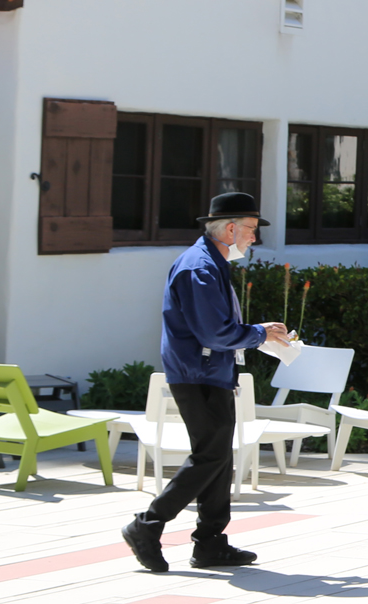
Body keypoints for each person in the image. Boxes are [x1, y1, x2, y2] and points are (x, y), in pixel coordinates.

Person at [123, 192, 284, 572]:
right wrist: (258, 333)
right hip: (199, 375)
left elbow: (216, 331)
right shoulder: (200, 267)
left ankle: (210, 542)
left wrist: (256, 334)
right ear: (230, 228)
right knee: (210, 456)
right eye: (251, 230)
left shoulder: (208, 262)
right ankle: (146, 525)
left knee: (218, 457)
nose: (254, 238)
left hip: (208, 373)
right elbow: (214, 333)